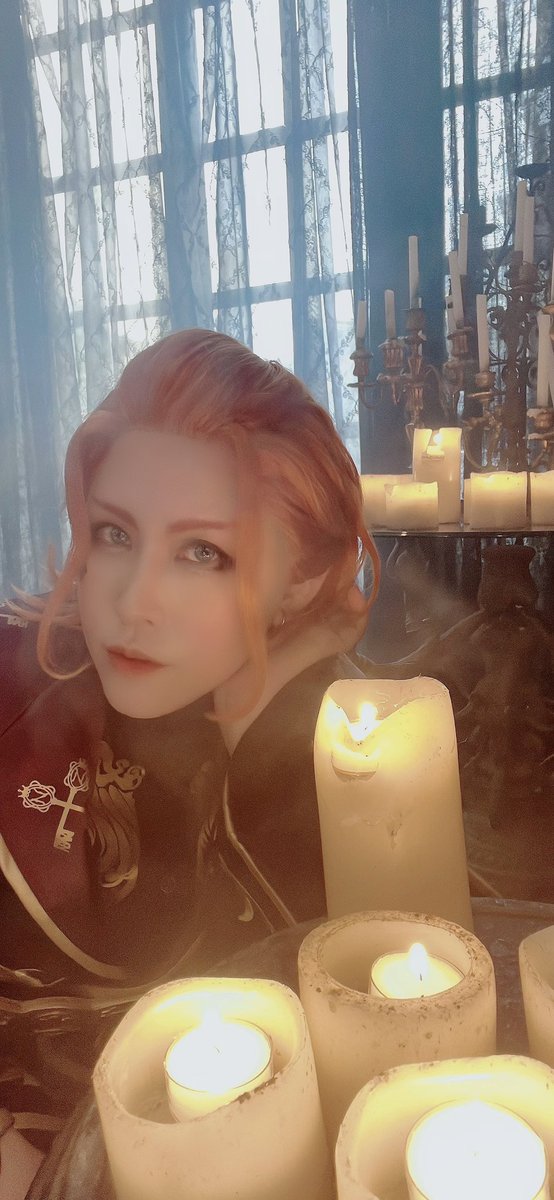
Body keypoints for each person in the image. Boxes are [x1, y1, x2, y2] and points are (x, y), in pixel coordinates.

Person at [0, 328, 379, 1188]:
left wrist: (259, 709)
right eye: (114, 534)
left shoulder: (337, 731)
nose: (132, 603)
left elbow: (359, 992)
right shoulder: (15, 694)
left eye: (202, 553)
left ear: (302, 581)